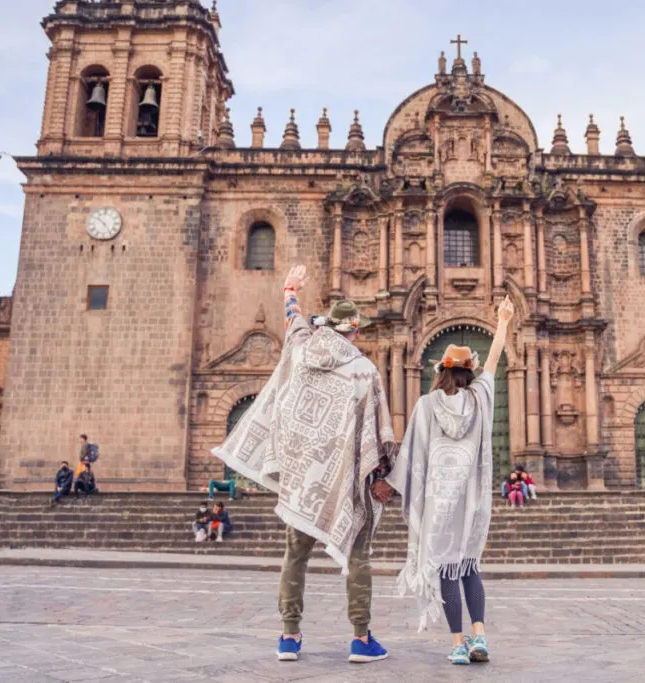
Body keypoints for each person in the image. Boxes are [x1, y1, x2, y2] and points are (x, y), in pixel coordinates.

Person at [211, 265, 397, 664]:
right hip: (346, 482)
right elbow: (377, 431)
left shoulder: (300, 347)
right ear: (356, 331)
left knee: (295, 555)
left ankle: (288, 637)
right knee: (358, 555)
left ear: (328, 326)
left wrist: (291, 287)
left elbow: (292, 317)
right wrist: (381, 477)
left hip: (301, 481)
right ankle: (361, 639)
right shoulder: (364, 370)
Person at [388, 297, 515, 666]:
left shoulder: (426, 406)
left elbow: (413, 456)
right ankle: (481, 637)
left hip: (438, 503)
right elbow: (493, 362)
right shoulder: (480, 399)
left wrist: (396, 488)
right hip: (472, 501)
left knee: (446, 569)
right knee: (469, 567)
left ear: (441, 372)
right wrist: (503, 321)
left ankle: (458, 643)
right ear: (467, 373)